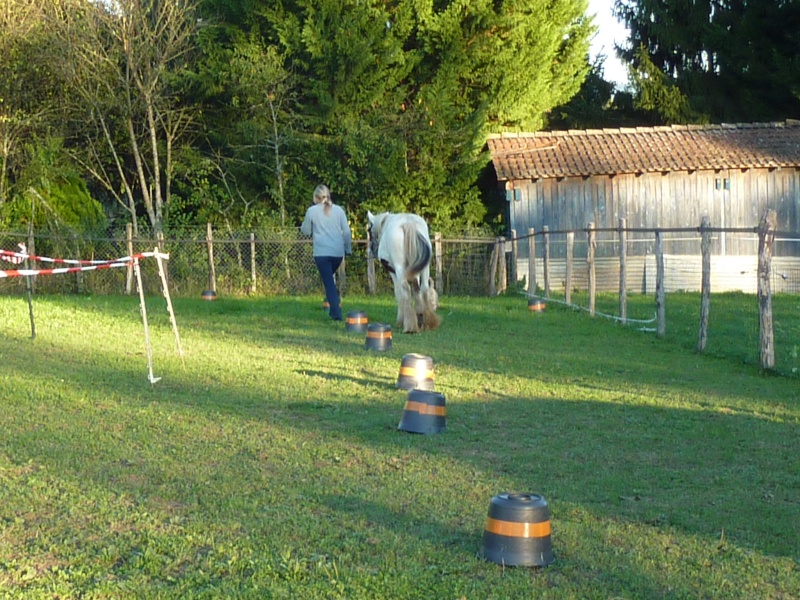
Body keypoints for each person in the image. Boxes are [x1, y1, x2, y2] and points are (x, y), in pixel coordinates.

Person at [301, 184, 352, 321]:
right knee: (330, 281)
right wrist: (348, 249)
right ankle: (333, 308)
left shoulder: (311, 211)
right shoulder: (339, 211)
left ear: (315, 197)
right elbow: (346, 232)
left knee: (329, 283)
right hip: (337, 254)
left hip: (321, 253)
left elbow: (305, 231)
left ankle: (336, 315)